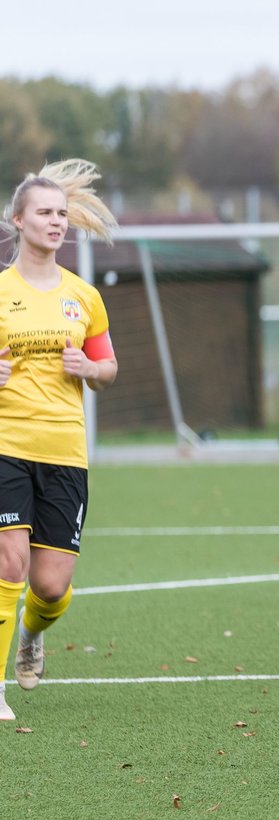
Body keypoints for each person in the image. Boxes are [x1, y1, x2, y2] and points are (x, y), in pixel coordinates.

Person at [0, 159, 119, 721]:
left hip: (65, 450)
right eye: (44, 213)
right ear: (18, 220)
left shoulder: (85, 296)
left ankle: (31, 633)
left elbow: (110, 367)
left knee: (49, 586)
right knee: (10, 564)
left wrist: (87, 369)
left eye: (61, 214)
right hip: (6, 443)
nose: (56, 222)